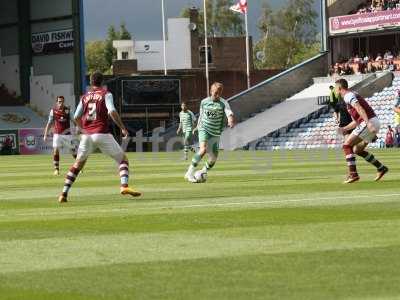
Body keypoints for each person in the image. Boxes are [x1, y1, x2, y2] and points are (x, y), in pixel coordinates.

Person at [58, 71, 141, 203]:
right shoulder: (106, 94)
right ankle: (124, 186)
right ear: (102, 82)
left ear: (91, 82)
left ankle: (63, 194)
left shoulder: (84, 97)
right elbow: (112, 111)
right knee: (123, 159)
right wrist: (122, 128)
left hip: (87, 136)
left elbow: (76, 117)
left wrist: (82, 129)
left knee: (78, 164)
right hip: (102, 133)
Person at [335, 78, 388, 183]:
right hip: (373, 122)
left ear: (339, 88)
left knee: (346, 145)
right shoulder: (351, 95)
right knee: (357, 150)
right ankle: (381, 168)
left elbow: (360, 109)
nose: (335, 91)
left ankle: (353, 174)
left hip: (369, 122)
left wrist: (368, 124)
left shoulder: (348, 96)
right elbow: (356, 121)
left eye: (335, 88)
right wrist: (344, 129)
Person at [184, 82, 235, 182]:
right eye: (215, 93)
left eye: (219, 93)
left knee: (213, 158)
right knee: (203, 149)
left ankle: (203, 171)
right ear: (211, 91)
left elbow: (229, 113)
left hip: (215, 132)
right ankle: (189, 173)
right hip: (204, 129)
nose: (217, 95)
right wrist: (197, 127)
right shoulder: (204, 102)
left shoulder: (223, 103)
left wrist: (230, 120)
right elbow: (201, 115)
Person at [43, 96, 78, 175]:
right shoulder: (53, 111)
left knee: (73, 151)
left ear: (64, 102)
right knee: (55, 150)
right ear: (56, 102)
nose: (61, 103)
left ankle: (78, 167)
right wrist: (45, 134)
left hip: (67, 135)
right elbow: (49, 123)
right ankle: (56, 169)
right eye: (59, 101)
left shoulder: (68, 110)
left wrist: (77, 129)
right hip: (57, 134)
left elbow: (74, 121)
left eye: (62, 101)